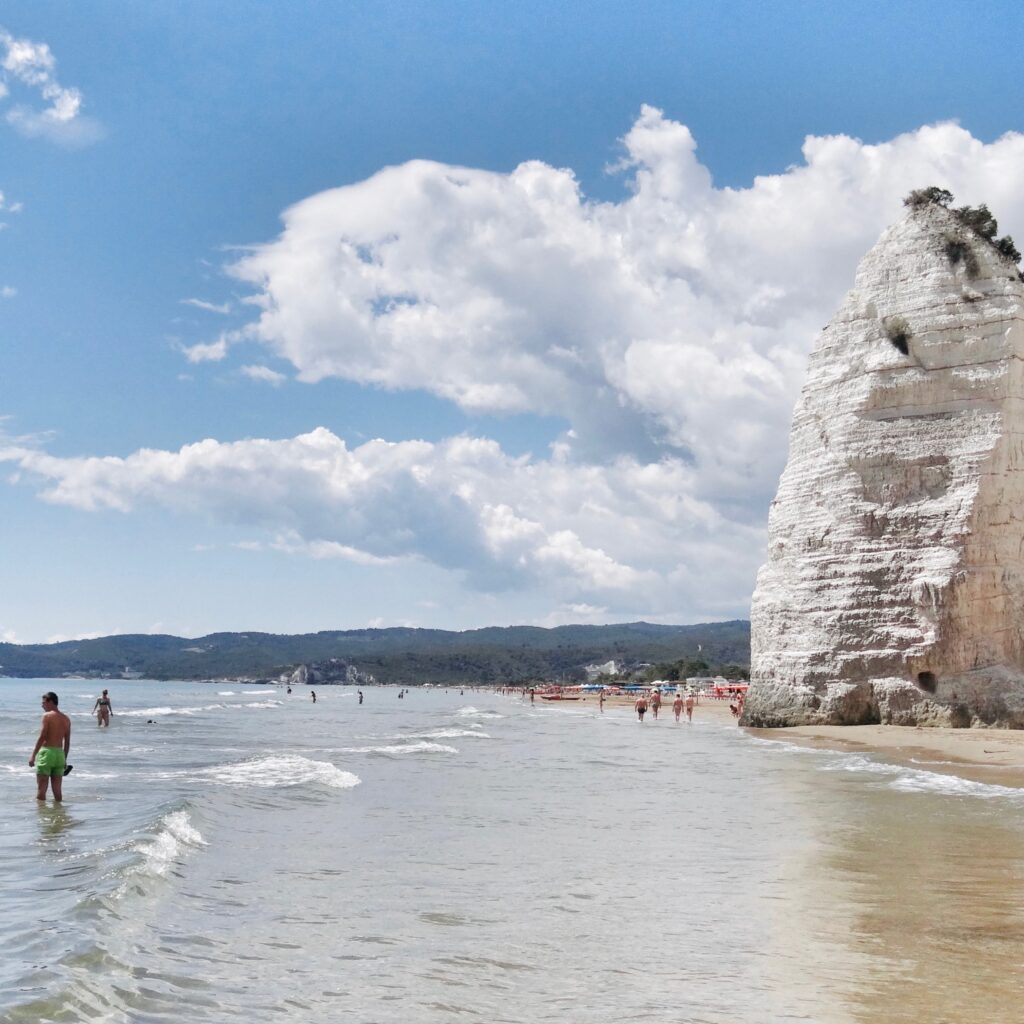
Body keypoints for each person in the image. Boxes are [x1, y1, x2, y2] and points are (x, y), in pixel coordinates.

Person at [30, 692, 72, 802]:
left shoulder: (47, 716)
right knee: (58, 792)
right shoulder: (66, 719)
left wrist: (33, 755)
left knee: (41, 790)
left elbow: (43, 736)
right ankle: (59, 815)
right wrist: (64, 759)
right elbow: (67, 742)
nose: (42, 705)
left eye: (44, 703)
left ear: (51, 702)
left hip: (47, 753)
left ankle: (41, 817)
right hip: (60, 755)